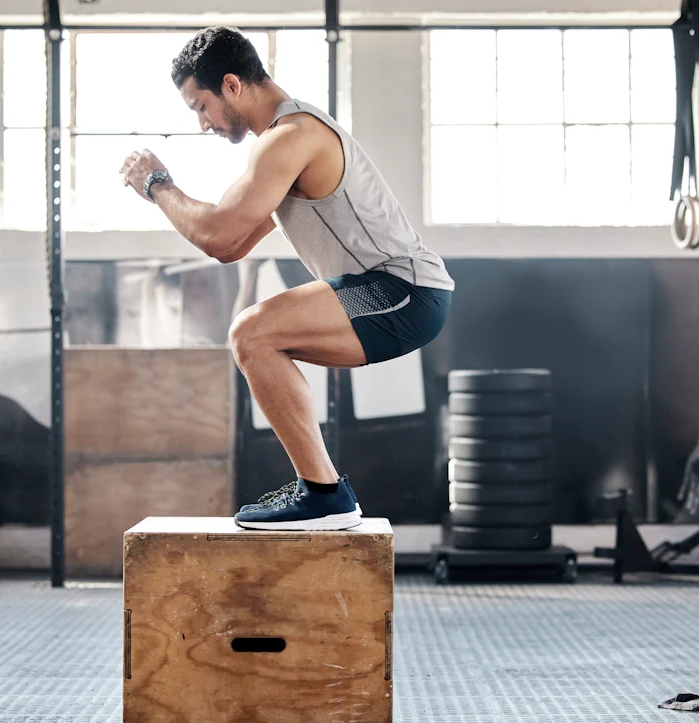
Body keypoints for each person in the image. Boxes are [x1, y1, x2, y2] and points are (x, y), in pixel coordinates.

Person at [119, 26, 455, 531]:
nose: (204, 123)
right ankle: (321, 490)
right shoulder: (282, 144)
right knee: (258, 339)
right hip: (387, 292)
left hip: (403, 290)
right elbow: (231, 246)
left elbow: (216, 234)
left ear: (232, 85)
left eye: (201, 106)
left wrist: (156, 183)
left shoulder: (290, 138)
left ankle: (323, 494)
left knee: (251, 332)